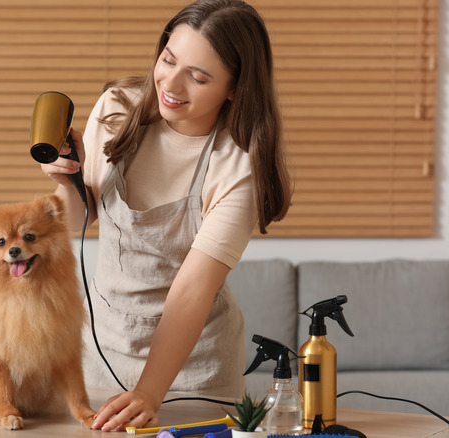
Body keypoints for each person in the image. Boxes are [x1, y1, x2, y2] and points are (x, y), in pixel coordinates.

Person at [39, 0, 291, 431]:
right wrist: (68, 180)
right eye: (168, 60)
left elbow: (192, 288)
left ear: (234, 88)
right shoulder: (118, 108)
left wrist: (150, 391)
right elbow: (86, 217)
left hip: (196, 365)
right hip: (101, 344)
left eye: (197, 76)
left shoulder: (238, 166)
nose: (170, 84)